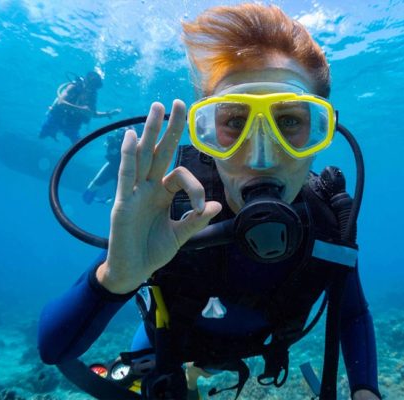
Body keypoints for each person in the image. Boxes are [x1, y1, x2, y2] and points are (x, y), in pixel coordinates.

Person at [38, 4, 380, 400]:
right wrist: (115, 278)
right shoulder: (172, 209)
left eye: (289, 122)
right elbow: (53, 349)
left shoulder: (329, 223)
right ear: (207, 136)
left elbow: (352, 314)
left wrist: (365, 392)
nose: (262, 157)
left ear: (322, 132)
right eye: (234, 122)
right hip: (166, 348)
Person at [39, 71, 121, 143]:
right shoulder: (73, 87)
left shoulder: (92, 96)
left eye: (95, 88)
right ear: (85, 81)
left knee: (79, 144)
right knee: (42, 136)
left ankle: (54, 133)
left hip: (72, 125)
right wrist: (81, 109)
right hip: (56, 118)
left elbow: (92, 114)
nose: (92, 90)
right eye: (91, 86)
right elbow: (61, 102)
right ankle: (52, 133)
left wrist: (108, 114)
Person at [82, 127, 129, 204]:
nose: (121, 133)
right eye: (120, 130)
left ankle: (107, 201)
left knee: (120, 196)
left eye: (123, 131)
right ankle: (95, 199)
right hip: (112, 167)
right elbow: (107, 145)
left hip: (123, 170)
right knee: (91, 189)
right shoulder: (112, 140)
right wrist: (108, 146)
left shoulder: (132, 141)